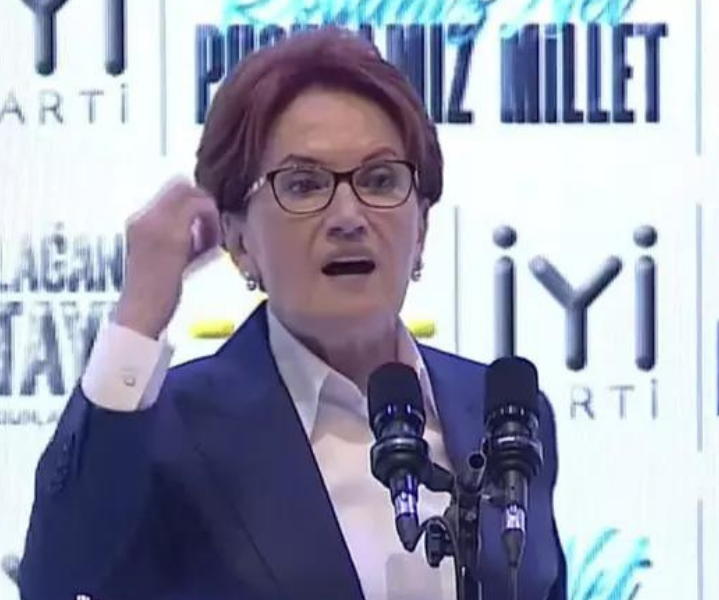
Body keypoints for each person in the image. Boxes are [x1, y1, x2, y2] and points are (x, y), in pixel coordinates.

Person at [18, 27, 566, 600]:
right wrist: (138, 318)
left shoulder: (503, 414)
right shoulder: (171, 432)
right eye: (304, 185)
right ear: (238, 240)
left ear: (422, 226)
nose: (349, 216)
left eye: (381, 180)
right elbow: (57, 579)